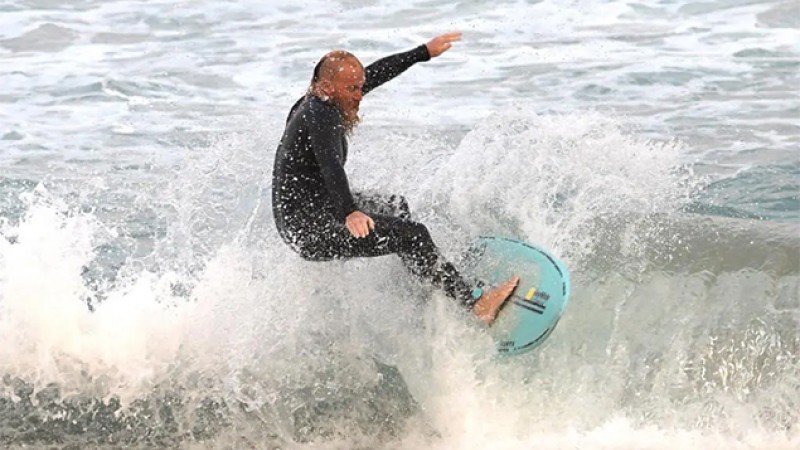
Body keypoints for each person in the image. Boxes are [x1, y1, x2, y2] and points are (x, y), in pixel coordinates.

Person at [272, 32, 518, 324]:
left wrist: (423, 51)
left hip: (315, 210)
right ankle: (477, 305)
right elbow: (330, 165)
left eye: (360, 88)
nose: (359, 96)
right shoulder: (320, 114)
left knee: (395, 205)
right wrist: (349, 212)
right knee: (414, 235)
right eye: (352, 89)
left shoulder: (321, 99)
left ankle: (423, 279)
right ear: (327, 86)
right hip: (310, 228)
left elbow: (375, 73)